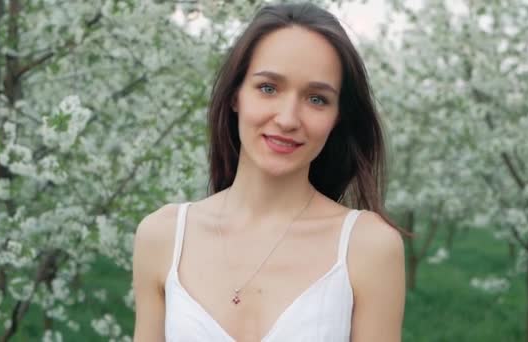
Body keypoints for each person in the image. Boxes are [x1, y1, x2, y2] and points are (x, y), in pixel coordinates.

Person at [133, 2, 405, 341]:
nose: (288, 119)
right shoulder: (163, 237)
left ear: (338, 117)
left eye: (317, 99)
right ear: (236, 96)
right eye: (268, 88)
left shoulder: (369, 247)